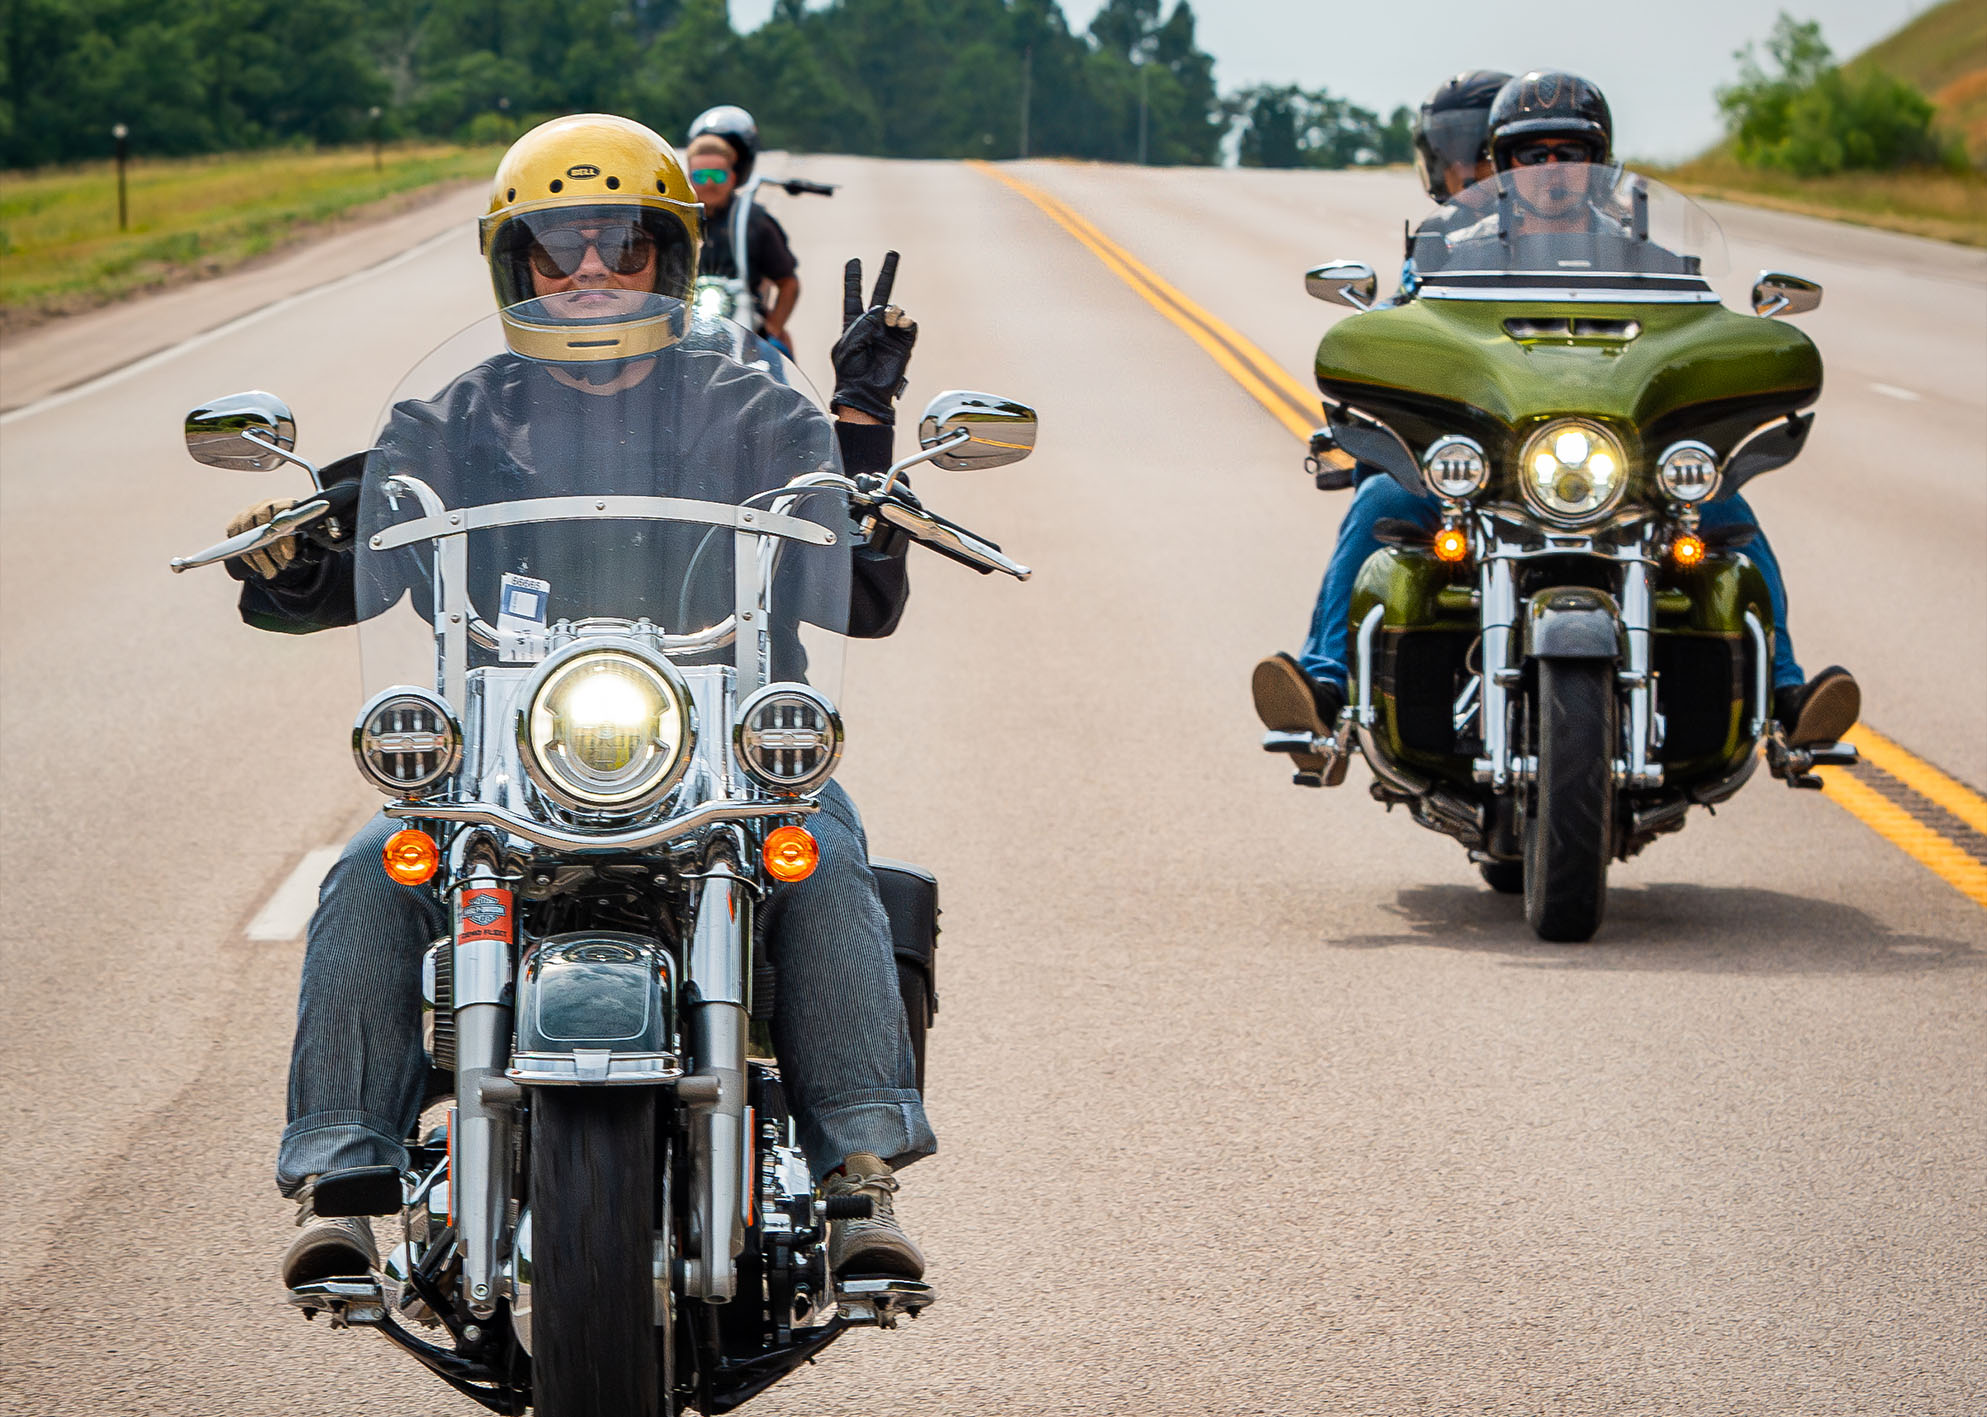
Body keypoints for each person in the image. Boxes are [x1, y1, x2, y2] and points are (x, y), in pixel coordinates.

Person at [222, 114, 932, 1290]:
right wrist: (292, 554)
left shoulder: (756, 411)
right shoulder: (450, 421)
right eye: (559, 245)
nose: (590, 268)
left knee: (822, 849)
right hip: (504, 758)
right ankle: (343, 1176)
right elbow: (355, 567)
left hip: (722, 751)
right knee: (370, 866)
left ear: (671, 256)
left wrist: (862, 433)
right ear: (518, 264)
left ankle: (858, 1174)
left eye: (620, 241)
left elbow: (862, 596)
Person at [1253, 70, 1859, 761]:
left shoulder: (1654, 259)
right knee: (1379, 502)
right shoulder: (1449, 250)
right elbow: (1402, 331)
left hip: (1621, 462)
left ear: (1599, 162)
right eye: (1530, 154)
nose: (1550, 169)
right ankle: (1325, 690)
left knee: (1729, 513)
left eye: (1569, 153)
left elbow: (1698, 333)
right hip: (1489, 460)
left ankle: (1787, 697)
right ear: (1503, 164)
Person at [685, 105, 801, 352]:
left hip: (746, 327)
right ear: (689, 177)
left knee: (779, 354)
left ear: (733, 177)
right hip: (683, 327)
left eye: (718, 176)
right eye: (700, 176)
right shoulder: (673, 220)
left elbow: (788, 283)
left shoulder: (754, 220)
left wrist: (773, 328)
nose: (709, 184)